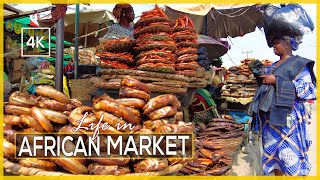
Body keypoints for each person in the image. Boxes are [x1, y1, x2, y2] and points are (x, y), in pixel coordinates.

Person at [256, 36, 316, 176]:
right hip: (271, 120)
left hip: (289, 118)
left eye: (276, 42)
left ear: (288, 43)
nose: (273, 46)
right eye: (272, 43)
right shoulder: (274, 65)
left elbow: (307, 89)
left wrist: (276, 80)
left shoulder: (299, 64)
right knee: (275, 156)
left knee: (289, 156)